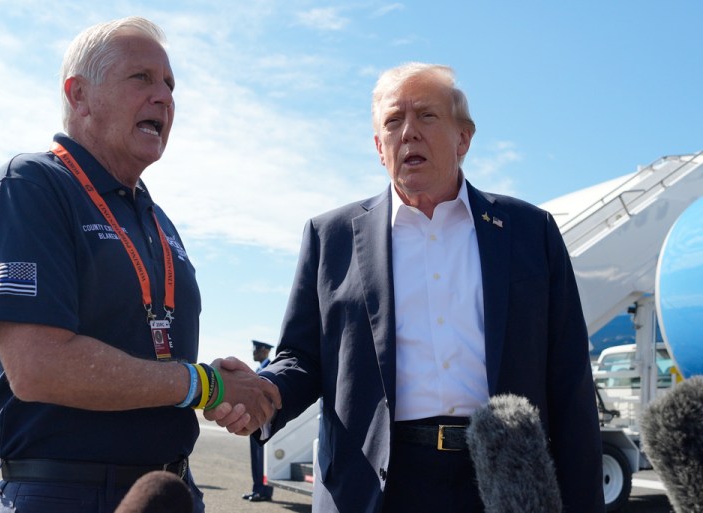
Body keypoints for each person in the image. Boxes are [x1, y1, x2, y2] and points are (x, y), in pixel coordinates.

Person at [207, 62, 604, 512]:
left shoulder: (530, 231)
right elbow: (302, 357)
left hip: (502, 480)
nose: (409, 132)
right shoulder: (331, 236)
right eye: (394, 122)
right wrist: (263, 394)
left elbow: (569, 378)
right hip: (377, 483)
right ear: (380, 147)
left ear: (464, 138)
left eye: (427, 116)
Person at [0, 17, 280, 513]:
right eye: (142, 78)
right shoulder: (31, 186)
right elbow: (38, 366)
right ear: (79, 95)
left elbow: (157, 363)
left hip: (168, 489)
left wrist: (225, 394)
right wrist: (204, 384)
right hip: (62, 493)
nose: (164, 97)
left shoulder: (156, 219)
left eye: (170, 85)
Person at [242, 340, 274, 502]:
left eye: (256, 350)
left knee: (263, 458)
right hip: (255, 421)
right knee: (256, 457)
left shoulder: (270, 368)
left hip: (265, 423)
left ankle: (264, 491)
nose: (253, 353)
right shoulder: (259, 369)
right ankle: (257, 489)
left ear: (265, 351)